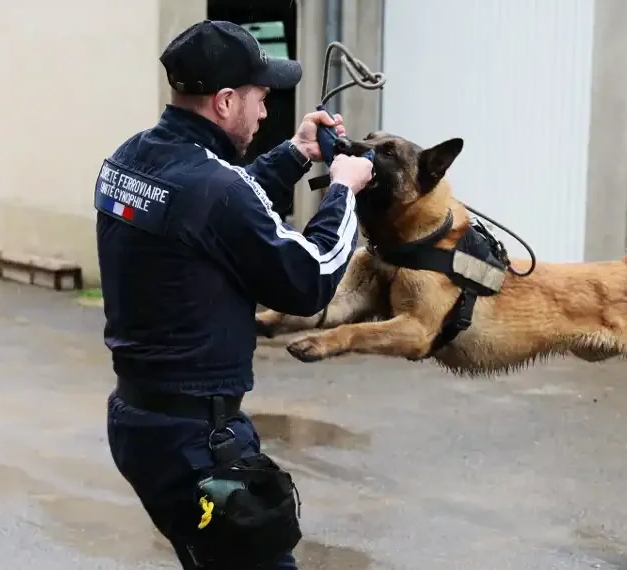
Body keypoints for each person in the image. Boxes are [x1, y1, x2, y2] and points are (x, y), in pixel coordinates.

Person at [94, 19, 373, 570]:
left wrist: (296, 153)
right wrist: (343, 190)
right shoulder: (214, 192)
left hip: (141, 424)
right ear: (224, 102)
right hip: (199, 441)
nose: (266, 113)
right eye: (260, 98)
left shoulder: (129, 160)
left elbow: (217, 213)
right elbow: (308, 280)